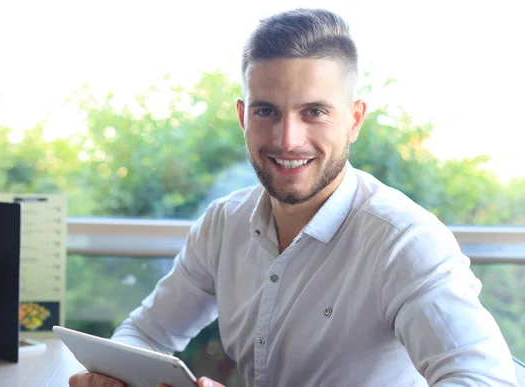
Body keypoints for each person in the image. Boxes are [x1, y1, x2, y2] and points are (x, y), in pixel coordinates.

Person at [70, 8, 518, 387]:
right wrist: (113, 375)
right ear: (243, 117)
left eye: (314, 112)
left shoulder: (404, 241)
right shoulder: (223, 223)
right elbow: (144, 335)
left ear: (355, 119)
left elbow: (484, 380)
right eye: (267, 111)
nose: (288, 139)